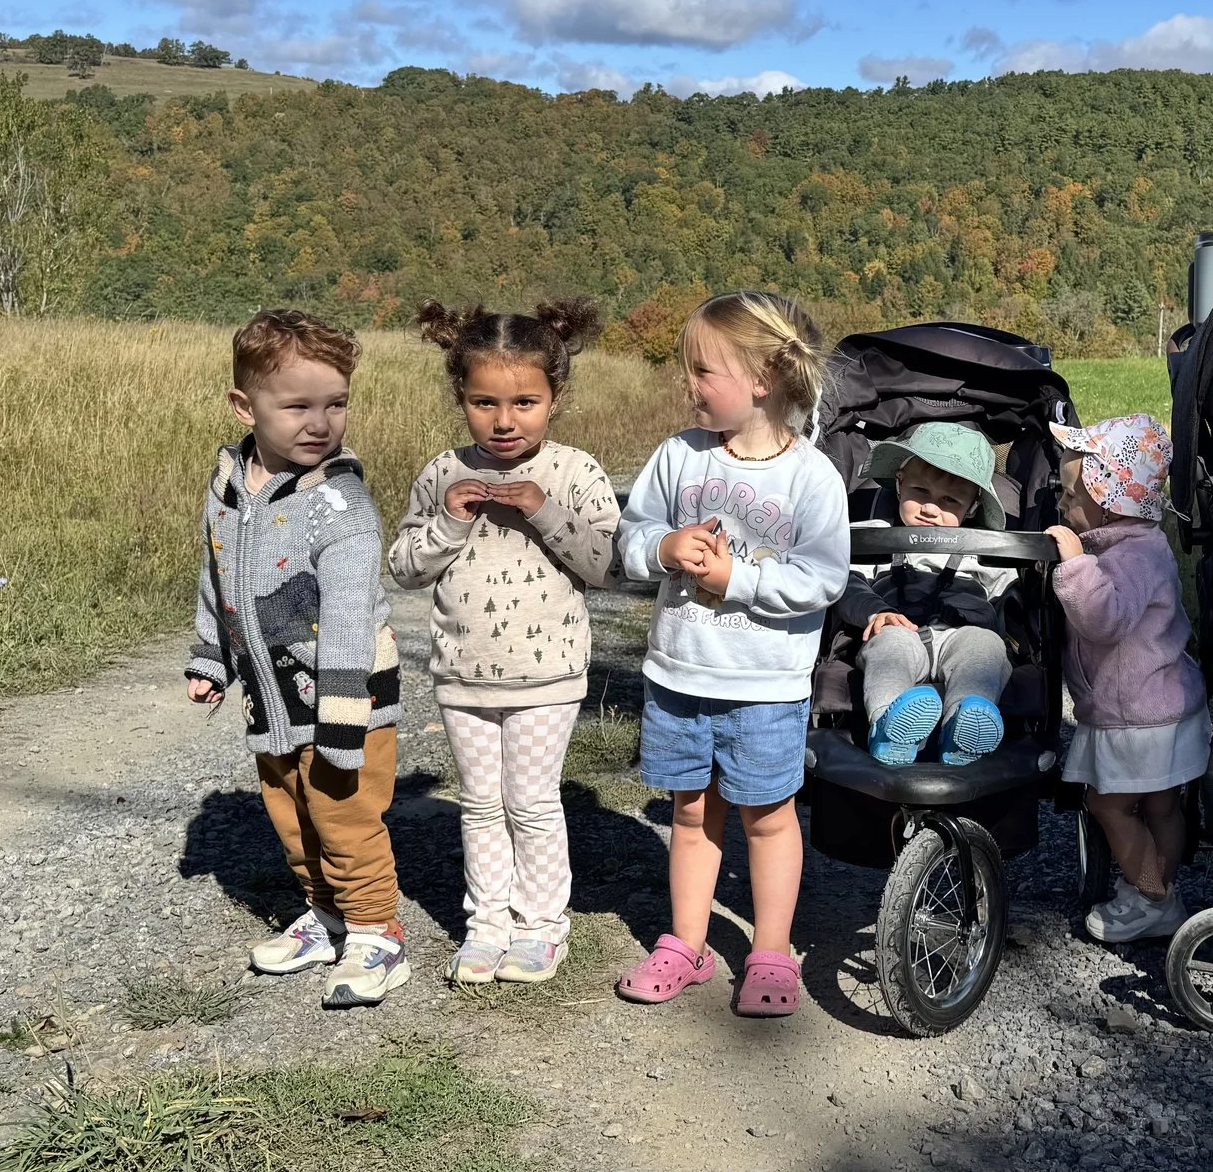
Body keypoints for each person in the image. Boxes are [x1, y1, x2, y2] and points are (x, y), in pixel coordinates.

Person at [612, 290, 851, 1017]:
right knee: (691, 812)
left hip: (766, 686)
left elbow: (823, 579)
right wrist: (661, 548)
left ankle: (771, 952)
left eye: (702, 370)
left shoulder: (812, 477)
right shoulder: (676, 457)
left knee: (768, 818)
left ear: (762, 378)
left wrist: (735, 578)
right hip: (679, 676)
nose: (688, 385)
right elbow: (629, 536)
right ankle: (686, 943)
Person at [390, 298, 620, 986]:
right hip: (463, 673)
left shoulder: (574, 473)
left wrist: (542, 510)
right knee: (481, 804)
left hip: (546, 677)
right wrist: (451, 522)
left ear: (555, 396)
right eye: (485, 402)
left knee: (532, 804)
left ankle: (542, 927)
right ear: (461, 397)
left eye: (525, 401)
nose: (504, 420)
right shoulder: (442, 473)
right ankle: (487, 924)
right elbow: (403, 567)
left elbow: (605, 565)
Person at [186, 309, 409, 1008]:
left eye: (336, 404)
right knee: (291, 813)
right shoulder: (229, 492)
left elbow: (346, 616)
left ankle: (377, 932)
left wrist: (344, 720)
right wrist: (211, 660)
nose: (320, 422)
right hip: (270, 697)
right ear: (244, 407)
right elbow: (215, 578)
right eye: (298, 406)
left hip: (346, 701)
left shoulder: (339, 505)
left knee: (345, 813)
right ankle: (327, 914)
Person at [1043, 413, 1209, 945]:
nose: (1064, 508)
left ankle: (1153, 897)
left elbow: (1105, 619)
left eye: (1071, 497)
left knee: (1107, 804)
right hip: (1164, 706)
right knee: (1161, 804)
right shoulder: (1142, 544)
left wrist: (1073, 566)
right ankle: (1163, 884)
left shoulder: (1128, 555)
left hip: (1134, 716)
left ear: (1110, 499)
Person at [834, 422, 1017, 766]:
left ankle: (964, 726)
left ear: (973, 507)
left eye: (949, 500)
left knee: (985, 647)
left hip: (961, 633)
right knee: (892, 646)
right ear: (899, 485)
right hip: (896, 628)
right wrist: (874, 611)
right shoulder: (873, 537)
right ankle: (889, 725)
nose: (931, 508)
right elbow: (844, 582)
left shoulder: (983, 550)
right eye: (920, 491)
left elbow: (1010, 594)